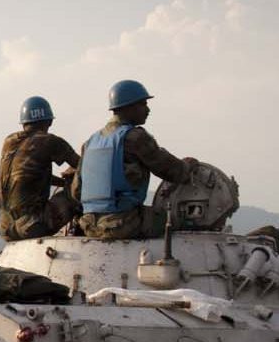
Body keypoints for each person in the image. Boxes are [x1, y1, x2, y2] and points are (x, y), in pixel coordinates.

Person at [73, 80, 197, 240]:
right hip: (123, 225)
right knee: (183, 217)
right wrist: (188, 165)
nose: (148, 109)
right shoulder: (135, 138)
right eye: (143, 104)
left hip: (89, 226)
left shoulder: (90, 142)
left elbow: (76, 192)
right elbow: (175, 172)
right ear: (128, 107)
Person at [0, 96, 81, 240]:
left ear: (24, 122)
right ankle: (85, 230)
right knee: (77, 192)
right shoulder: (50, 141)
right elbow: (87, 167)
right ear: (49, 121)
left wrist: (62, 182)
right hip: (33, 226)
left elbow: (26, 176)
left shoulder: (9, 142)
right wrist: (74, 174)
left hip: (6, 229)